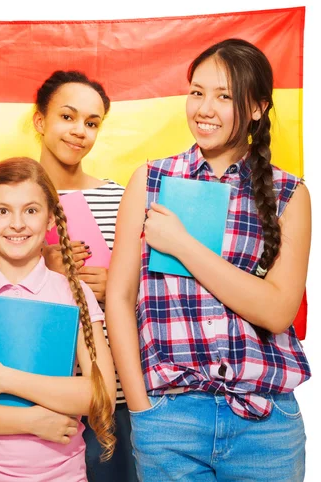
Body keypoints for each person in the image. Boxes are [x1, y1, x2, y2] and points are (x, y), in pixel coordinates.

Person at [106, 38, 311, 481]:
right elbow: (118, 298)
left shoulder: (289, 194)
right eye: (197, 92)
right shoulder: (150, 179)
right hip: (170, 419)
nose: (204, 108)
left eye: (224, 96)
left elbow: (277, 312)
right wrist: (142, 408)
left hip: (265, 424)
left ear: (257, 108)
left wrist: (182, 244)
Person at [0, 70, 136, 481]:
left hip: (110, 395)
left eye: (91, 122)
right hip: (18, 394)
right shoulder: (5, 199)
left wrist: (116, 287)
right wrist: (42, 268)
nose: (79, 131)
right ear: (39, 121)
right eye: (67, 116)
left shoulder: (119, 197)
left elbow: (147, 297)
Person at [0, 157, 117, 482]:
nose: (17, 224)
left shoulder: (75, 293)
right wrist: (32, 421)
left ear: (51, 219)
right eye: (2, 211)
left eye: (31, 210)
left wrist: (4, 380)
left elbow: (102, 397)